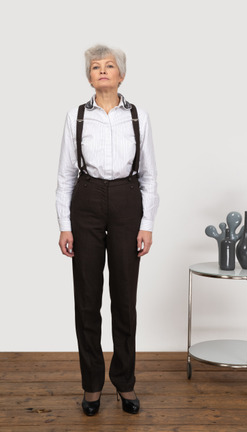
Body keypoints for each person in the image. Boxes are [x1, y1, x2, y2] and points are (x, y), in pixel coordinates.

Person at [56, 44, 159, 416]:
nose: (102, 71)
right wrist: (65, 225)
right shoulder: (76, 117)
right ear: (89, 77)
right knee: (87, 298)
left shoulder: (139, 117)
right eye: (95, 67)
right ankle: (92, 386)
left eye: (109, 65)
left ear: (121, 75)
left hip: (127, 201)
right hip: (85, 203)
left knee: (124, 299)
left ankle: (125, 383)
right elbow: (66, 175)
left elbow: (148, 175)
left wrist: (146, 224)